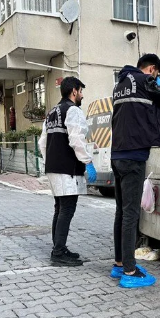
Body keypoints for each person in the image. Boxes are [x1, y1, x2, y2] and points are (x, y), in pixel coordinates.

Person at [111, 53, 160, 288]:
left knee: (122, 211)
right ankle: (130, 271)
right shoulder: (144, 81)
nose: (157, 78)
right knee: (131, 214)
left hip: (117, 155)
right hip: (133, 156)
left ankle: (120, 262)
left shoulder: (120, 84)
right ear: (151, 69)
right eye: (157, 74)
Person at [38, 76, 97, 267]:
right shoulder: (73, 111)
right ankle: (58, 252)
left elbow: (42, 143)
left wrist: (50, 162)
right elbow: (76, 139)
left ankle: (59, 247)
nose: (82, 95)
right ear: (74, 91)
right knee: (67, 210)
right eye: (81, 91)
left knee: (59, 209)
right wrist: (87, 162)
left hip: (54, 168)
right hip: (67, 169)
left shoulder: (52, 112)